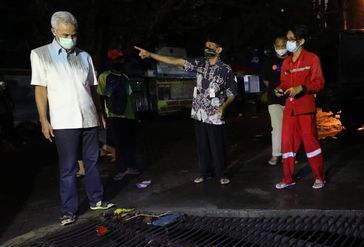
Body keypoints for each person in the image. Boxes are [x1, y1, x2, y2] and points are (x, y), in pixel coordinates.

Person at [30, 11, 115, 225]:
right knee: (68, 167)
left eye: (74, 35)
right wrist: (43, 119)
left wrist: (99, 112)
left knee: (93, 161)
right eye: (66, 34)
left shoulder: (84, 56)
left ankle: (97, 199)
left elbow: (93, 88)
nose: (70, 38)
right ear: (54, 32)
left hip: (88, 117)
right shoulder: (40, 54)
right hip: (63, 120)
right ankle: (69, 210)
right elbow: (41, 90)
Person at [135, 35, 237, 185]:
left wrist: (223, 107)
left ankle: (221, 173)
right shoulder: (200, 63)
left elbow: (232, 94)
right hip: (199, 113)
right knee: (202, 146)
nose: (207, 49)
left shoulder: (226, 70)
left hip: (215, 114)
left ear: (219, 49)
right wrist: (150, 54)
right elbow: (176, 61)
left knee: (217, 146)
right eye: (206, 46)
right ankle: (204, 173)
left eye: (210, 46)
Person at [274, 25, 326, 190]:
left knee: (310, 143)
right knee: (287, 144)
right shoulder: (287, 62)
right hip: (290, 108)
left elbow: (319, 83)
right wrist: (279, 89)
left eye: (291, 39)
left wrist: (302, 88)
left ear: (301, 41)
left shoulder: (312, 59)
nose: (288, 42)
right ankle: (288, 178)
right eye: (287, 38)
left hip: (305, 108)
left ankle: (319, 177)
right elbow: (283, 82)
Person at [97, 49, 139, 181]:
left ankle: (131, 166)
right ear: (110, 62)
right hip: (114, 116)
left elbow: (129, 97)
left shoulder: (124, 77)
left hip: (128, 116)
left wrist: (135, 115)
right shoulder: (104, 76)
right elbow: (100, 97)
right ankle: (121, 169)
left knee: (129, 143)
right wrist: (102, 115)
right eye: (116, 60)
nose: (119, 62)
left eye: (120, 59)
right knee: (119, 144)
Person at [262, 36, 288, 166]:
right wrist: (274, 90)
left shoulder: (292, 60)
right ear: (274, 46)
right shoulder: (269, 61)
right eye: (278, 45)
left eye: (283, 45)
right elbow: (265, 79)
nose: (281, 48)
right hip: (274, 100)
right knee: (277, 128)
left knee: (289, 129)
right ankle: (276, 154)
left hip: (290, 99)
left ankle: (288, 155)